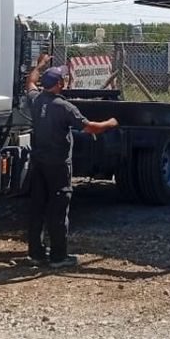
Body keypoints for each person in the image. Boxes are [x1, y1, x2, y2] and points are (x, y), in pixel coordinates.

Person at [25, 54, 118, 268]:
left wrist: (39, 65)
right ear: (59, 84)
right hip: (58, 165)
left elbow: (30, 81)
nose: (65, 81)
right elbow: (90, 128)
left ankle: (36, 253)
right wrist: (111, 123)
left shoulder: (36, 100)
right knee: (58, 208)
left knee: (38, 207)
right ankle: (59, 257)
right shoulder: (64, 107)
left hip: (38, 163)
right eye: (63, 79)